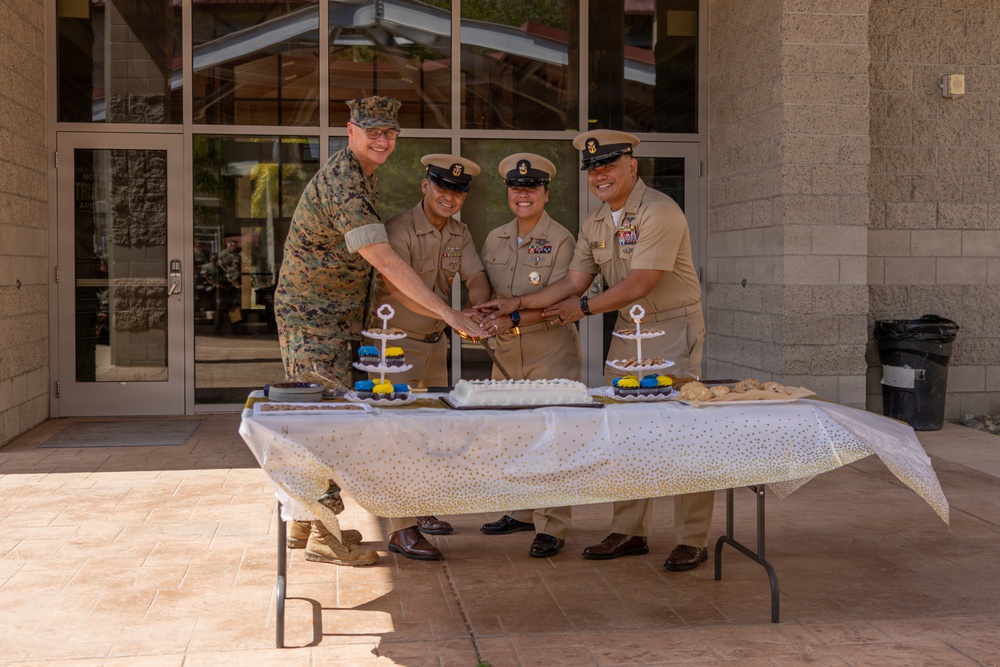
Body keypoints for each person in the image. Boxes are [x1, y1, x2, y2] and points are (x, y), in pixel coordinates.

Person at [477, 130, 713, 572]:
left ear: (631, 167)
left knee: (682, 435)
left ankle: (693, 538)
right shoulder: (597, 222)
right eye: (593, 170)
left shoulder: (660, 210)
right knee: (624, 433)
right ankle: (630, 531)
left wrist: (580, 309)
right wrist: (518, 305)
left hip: (672, 329)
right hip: (627, 332)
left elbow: (640, 282)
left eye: (608, 166)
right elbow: (571, 282)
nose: (600, 175)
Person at [273, 96, 487, 567]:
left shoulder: (362, 174)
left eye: (390, 133)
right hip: (315, 320)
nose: (382, 140)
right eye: (373, 131)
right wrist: (450, 315)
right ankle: (326, 538)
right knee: (326, 424)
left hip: (331, 318)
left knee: (320, 421)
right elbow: (385, 260)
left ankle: (307, 523)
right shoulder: (346, 182)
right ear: (351, 131)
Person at [367, 153, 492, 560]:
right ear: (425, 186)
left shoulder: (459, 233)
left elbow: (475, 276)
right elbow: (399, 288)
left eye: (458, 191)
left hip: (434, 344)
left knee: (427, 435)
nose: (449, 197)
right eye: (442, 187)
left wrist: (479, 307)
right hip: (395, 347)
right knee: (395, 437)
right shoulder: (398, 229)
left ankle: (420, 511)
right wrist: (453, 315)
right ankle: (398, 529)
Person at [477, 153, 582, 559]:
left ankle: (552, 523)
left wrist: (514, 316)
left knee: (552, 437)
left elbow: (567, 299)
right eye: (517, 189)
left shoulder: (562, 239)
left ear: (545, 193)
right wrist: (482, 314)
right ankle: (521, 511)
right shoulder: (495, 238)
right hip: (505, 352)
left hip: (549, 349)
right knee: (513, 435)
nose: (524, 195)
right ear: (508, 194)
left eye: (532, 188)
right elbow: (486, 291)